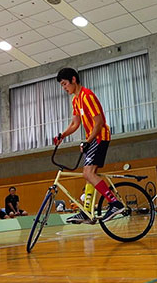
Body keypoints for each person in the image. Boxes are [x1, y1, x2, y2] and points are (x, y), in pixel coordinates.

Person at [53, 68, 124, 223]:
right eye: (62, 85)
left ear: (73, 79)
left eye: (65, 84)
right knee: (89, 176)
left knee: (88, 173)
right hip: (93, 139)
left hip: (99, 137)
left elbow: (99, 123)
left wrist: (88, 141)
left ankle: (114, 203)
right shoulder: (76, 100)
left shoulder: (87, 96)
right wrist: (62, 136)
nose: (64, 88)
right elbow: (75, 123)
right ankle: (87, 211)